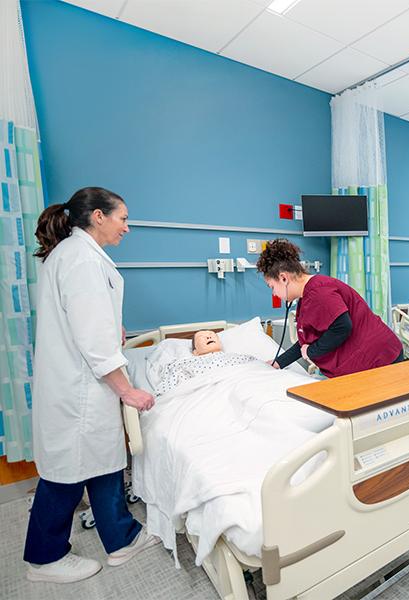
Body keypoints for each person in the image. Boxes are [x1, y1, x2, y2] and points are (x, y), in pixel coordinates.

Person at [26, 187, 159, 584]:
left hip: (79, 383)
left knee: (102, 465)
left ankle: (121, 539)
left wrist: (109, 325)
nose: (127, 228)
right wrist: (126, 390)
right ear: (98, 216)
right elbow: (94, 343)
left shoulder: (74, 255)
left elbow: (86, 319)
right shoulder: (81, 260)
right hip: (79, 387)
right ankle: (43, 558)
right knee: (66, 474)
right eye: (123, 218)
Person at [258, 239, 403, 377]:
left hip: (380, 360)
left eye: (272, 287)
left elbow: (342, 327)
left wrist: (311, 352)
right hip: (372, 360)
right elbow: (308, 341)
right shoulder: (307, 296)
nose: (274, 294)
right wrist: (279, 362)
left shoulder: (318, 292)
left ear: (284, 278)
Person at [154, 331, 256, 396]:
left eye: (212, 335)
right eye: (202, 337)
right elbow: (172, 388)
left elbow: (258, 369)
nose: (209, 337)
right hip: (208, 395)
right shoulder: (185, 363)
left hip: (242, 389)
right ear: (195, 351)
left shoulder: (237, 357)